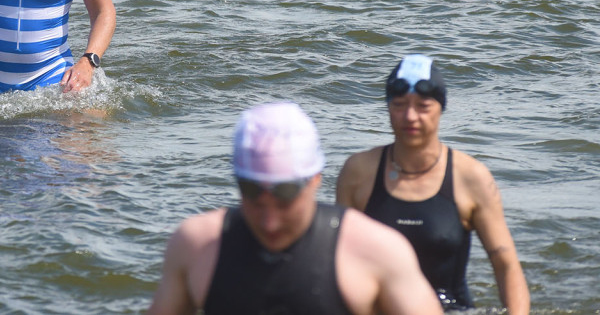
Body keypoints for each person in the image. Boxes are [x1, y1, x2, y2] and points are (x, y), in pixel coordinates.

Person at [147, 101, 443, 315]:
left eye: (285, 199)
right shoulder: (197, 246)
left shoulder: (377, 251)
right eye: (253, 195)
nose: (270, 221)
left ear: (315, 180)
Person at [336, 55, 531, 313]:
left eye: (423, 106)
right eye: (399, 104)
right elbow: (339, 263)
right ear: (387, 107)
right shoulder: (358, 173)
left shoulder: (471, 177)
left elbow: (505, 263)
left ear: (441, 108)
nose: (410, 116)